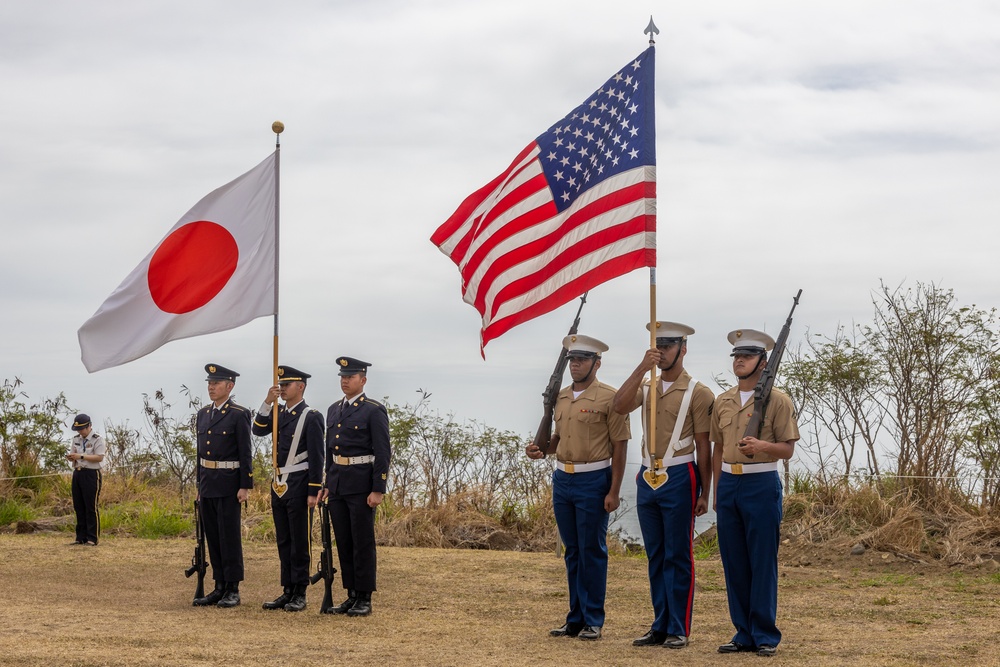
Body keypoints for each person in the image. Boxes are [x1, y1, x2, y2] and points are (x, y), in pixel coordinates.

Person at [613, 322, 714, 649]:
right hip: (646, 475)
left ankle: (679, 627)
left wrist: (705, 491)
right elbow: (619, 405)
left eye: (669, 346)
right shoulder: (646, 385)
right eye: (659, 345)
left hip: (680, 474)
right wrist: (642, 366)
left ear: (683, 349)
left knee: (678, 554)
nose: (663, 351)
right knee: (655, 554)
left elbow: (704, 445)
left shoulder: (698, 392)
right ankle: (660, 624)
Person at [525, 334, 630, 641]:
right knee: (572, 551)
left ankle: (593, 618)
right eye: (572, 360)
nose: (575, 365)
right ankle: (575, 617)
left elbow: (620, 446)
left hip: (594, 479)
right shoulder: (560, 396)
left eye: (582, 360)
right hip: (563, 479)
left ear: (597, 363)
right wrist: (540, 447)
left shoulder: (611, 397)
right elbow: (558, 438)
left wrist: (614, 490)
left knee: (592, 551)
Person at [711, 329, 799, 657]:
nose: (739, 361)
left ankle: (764, 634)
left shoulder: (778, 400)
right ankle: (742, 633)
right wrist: (718, 489)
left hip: (761, 483)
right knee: (734, 562)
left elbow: (787, 450)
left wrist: (763, 446)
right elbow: (718, 447)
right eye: (736, 356)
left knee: (762, 561)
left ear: (763, 362)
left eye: (746, 356)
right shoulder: (723, 401)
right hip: (730, 483)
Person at [319, 356, 391, 617]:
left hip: (361, 485)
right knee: (344, 542)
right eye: (342, 376)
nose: (345, 380)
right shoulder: (333, 410)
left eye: (350, 377)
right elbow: (330, 450)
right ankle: (350, 594)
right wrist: (327, 482)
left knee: (362, 542)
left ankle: (364, 597)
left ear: (363, 380)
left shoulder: (373, 409)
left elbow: (383, 452)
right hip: (338, 483)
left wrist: (378, 488)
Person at [253, 365, 326, 612]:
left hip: (300, 481)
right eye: (280, 385)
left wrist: (314, 489)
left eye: (287, 385)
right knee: (284, 539)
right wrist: (267, 402)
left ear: (301, 386)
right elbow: (257, 429)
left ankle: (300, 592)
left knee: (299, 540)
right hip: (278, 482)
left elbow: (317, 456)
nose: (282, 389)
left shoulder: (312, 416)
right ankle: (287, 589)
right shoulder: (278, 413)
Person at [193, 363, 253, 608]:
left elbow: (245, 451)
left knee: (229, 537)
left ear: (230, 386)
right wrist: (199, 483)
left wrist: (245, 485)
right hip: (208, 482)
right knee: (213, 537)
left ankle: (233, 588)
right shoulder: (204, 414)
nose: (211, 387)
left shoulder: (238, 414)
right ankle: (218, 586)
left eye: (216, 383)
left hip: (229, 482)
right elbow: (200, 454)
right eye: (209, 383)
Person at [66, 413, 107, 546]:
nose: (80, 431)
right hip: (78, 473)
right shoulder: (76, 439)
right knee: (79, 506)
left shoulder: (97, 440)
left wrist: (81, 456)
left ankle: (92, 538)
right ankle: (80, 537)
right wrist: (72, 457)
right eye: (78, 429)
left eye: (82, 428)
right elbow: (75, 453)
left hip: (91, 474)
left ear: (89, 426)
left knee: (91, 507)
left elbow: (99, 457)